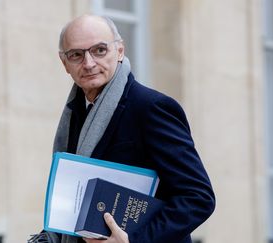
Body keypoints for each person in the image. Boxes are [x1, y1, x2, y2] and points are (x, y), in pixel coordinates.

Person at [31, 14, 215, 243]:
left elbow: (198, 198)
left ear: (120, 51)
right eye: (76, 55)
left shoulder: (151, 108)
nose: (88, 63)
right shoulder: (74, 114)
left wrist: (133, 241)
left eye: (99, 50)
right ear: (64, 63)